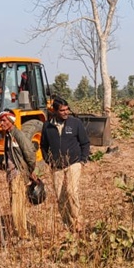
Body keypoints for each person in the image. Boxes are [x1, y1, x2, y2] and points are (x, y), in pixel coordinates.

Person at [40, 97, 90, 233]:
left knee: (71, 192)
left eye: (67, 109)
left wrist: (83, 160)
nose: (66, 112)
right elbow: (43, 146)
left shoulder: (75, 123)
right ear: (55, 111)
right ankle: (69, 225)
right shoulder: (47, 126)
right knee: (60, 197)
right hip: (56, 166)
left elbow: (85, 143)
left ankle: (78, 222)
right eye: (62, 110)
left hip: (74, 163)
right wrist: (49, 161)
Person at [0, 109, 37, 240]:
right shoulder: (9, 135)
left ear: (11, 121)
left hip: (18, 174)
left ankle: (22, 234)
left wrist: (30, 171)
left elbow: (30, 152)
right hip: (12, 174)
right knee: (15, 203)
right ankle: (19, 231)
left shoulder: (18, 135)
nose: (1, 123)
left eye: (3, 120)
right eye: (0, 120)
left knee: (17, 205)